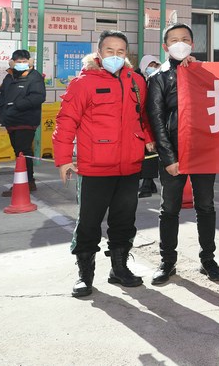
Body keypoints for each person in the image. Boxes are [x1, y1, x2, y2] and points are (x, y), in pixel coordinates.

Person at [53, 30, 152, 298]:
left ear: (126, 54)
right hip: (94, 168)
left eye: (121, 51)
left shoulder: (136, 81)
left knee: (124, 221)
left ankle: (119, 269)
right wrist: (63, 159)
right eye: (110, 50)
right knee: (88, 223)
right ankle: (85, 275)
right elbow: (66, 121)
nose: (115, 56)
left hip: (129, 166)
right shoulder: (83, 83)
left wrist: (149, 140)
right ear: (99, 52)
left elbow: (143, 116)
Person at [147, 23, 219, 285]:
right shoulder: (158, 77)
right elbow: (156, 120)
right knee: (169, 209)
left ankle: (208, 260)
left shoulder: (205, 72)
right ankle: (167, 261)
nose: (180, 43)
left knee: (206, 206)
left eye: (185, 39)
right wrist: (169, 158)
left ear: (192, 44)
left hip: (204, 150)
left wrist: (199, 70)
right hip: (174, 153)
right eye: (174, 40)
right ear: (165, 46)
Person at [0, 49, 46, 196]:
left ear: (30, 62)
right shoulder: (9, 77)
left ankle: (26, 183)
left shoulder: (34, 77)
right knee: (19, 152)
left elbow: (38, 97)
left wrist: (17, 105)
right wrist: (1, 108)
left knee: (23, 152)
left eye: (25, 61)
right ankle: (27, 182)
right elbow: (2, 95)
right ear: (12, 62)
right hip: (11, 120)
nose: (22, 64)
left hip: (26, 120)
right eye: (19, 61)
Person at [136, 54, 162, 198]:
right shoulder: (137, 80)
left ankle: (147, 184)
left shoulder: (158, 78)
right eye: (150, 65)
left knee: (151, 154)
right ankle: (149, 184)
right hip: (140, 122)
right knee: (144, 154)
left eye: (155, 65)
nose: (152, 68)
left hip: (153, 121)